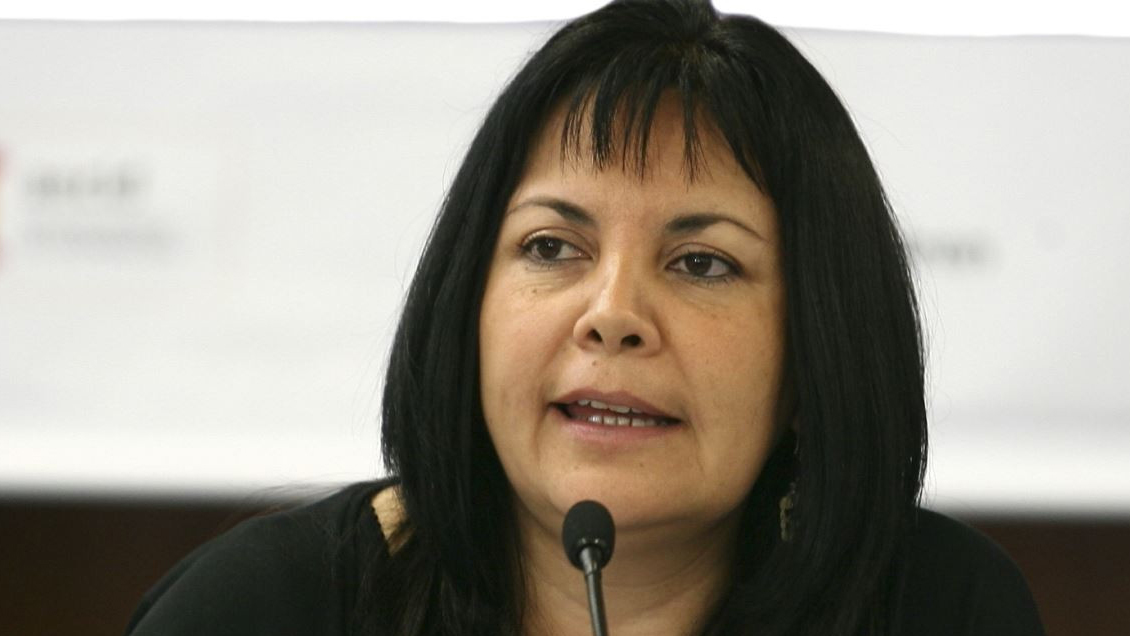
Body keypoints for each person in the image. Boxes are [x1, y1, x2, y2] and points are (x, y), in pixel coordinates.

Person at [125, 1, 1046, 635]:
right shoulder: (263, 610)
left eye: (701, 263)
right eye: (552, 247)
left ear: (818, 349)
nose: (612, 316)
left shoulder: (937, 607)